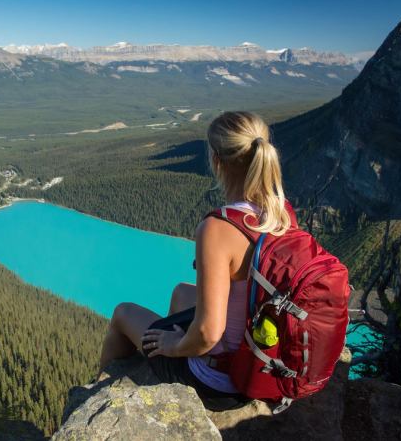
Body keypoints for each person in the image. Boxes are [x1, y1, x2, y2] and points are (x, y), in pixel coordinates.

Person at [98, 111, 292, 411]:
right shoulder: (281, 213)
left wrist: (173, 346)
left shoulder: (219, 228)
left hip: (220, 381)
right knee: (180, 292)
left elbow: (208, 333)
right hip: (261, 358)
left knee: (123, 313)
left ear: (216, 160)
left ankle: (100, 395)